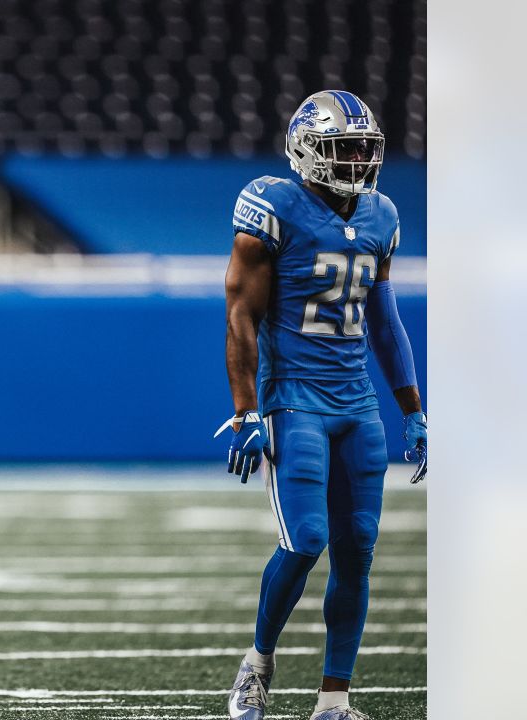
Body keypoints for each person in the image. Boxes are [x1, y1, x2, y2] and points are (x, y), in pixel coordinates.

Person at [218, 90, 427, 720]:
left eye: (366, 149)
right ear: (306, 149)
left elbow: (384, 320)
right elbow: (241, 314)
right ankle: (256, 667)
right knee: (306, 539)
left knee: (358, 547)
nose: (360, 162)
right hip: (295, 399)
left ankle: (334, 699)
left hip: (357, 401)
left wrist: (412, 407)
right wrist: (247, 409)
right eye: (346, 149)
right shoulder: (274, 204)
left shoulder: (382, 214)